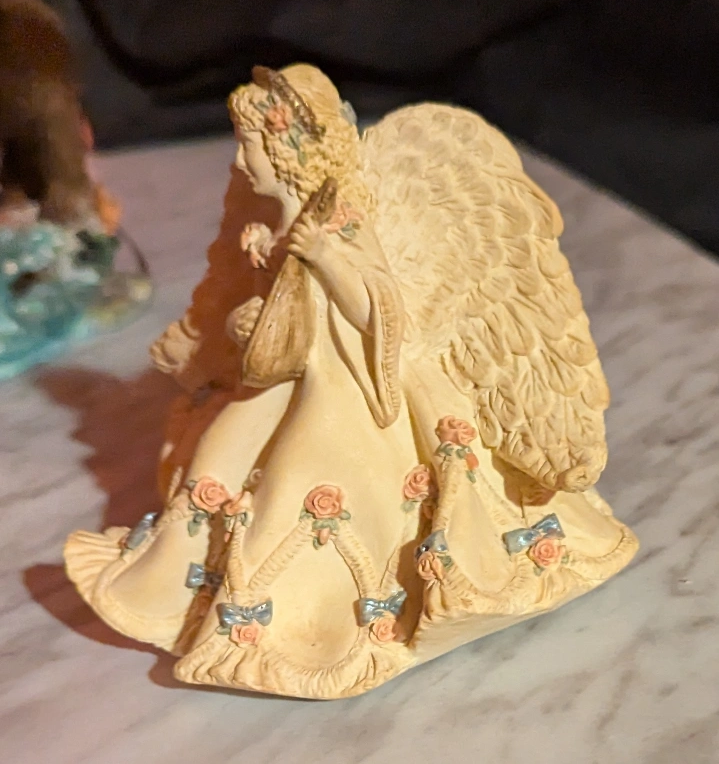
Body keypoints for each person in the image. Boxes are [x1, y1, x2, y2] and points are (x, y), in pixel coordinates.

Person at [65, 64, 638, 699]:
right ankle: (180, 588)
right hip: (291, 378)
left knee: (298, 482)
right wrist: (251, 302)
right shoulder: (274, 223)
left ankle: (302, 626)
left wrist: (325, 258)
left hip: (353, 388)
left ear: (287, 151)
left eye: (251, 147)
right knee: (219, 449)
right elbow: (279, 318)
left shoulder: (340, 223)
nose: (242, 162)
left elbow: (381, 312)